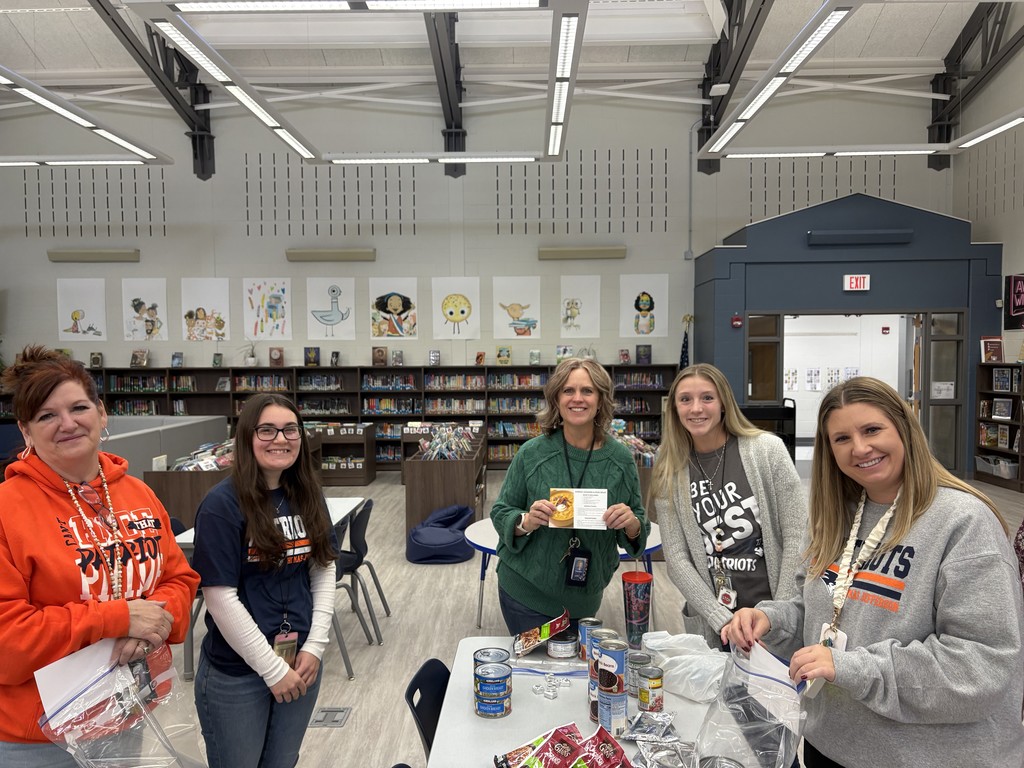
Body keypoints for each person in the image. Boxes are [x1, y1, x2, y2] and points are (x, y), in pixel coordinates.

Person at [722, 377, 1024, 767]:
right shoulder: (835, 518)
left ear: (904, 428)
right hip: (828, 745)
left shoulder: (963, 522)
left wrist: (854, 668)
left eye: (871, 430)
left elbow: (983, 666)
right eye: (841, 438)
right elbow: (812, 610)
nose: (860, 448)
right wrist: (768, 619)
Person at [0, 345, 199, 766]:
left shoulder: (137, 494)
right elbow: (7, 642)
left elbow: (179, 579)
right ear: (25, 431)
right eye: (46, 415)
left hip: (128, 710)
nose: (67, 423)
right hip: (40, 737)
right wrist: (118, 618)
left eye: (78, 407)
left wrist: (150, 623)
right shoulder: (7, 510)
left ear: (102, 413)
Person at [191, 393, 338, 768]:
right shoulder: (222, 505)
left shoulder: (307, 493)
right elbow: (220, 598)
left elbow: (322, 569)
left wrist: (315, 646)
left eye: (290, 429)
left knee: (282, 761)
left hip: (300, 660)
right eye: (267, 430)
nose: (280, 439)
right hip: (237, 675)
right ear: (246, 438)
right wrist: (272, 670)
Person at [649, 363, 806, 649]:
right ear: (674, 408)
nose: (696, 408)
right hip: (715, 623)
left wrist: (775, 615)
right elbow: (676, 557)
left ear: (723, 403)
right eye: (685, 399)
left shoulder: (766, 450)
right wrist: (720, 619)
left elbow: (797, 535)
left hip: (774, 621)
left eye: (707, 397)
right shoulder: (668, 467)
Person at [490, 357, 649, 634]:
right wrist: (525, 521)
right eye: (568, 391)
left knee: (573, 674)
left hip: (585, 598)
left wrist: (631, 523)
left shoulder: (620, 460)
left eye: (587, 391)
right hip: (525, 594)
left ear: (601, 400)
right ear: (556, 399)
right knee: (537, 675)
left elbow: (636, 530)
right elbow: (501, 510)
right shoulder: (532, 453)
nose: (578, 399)